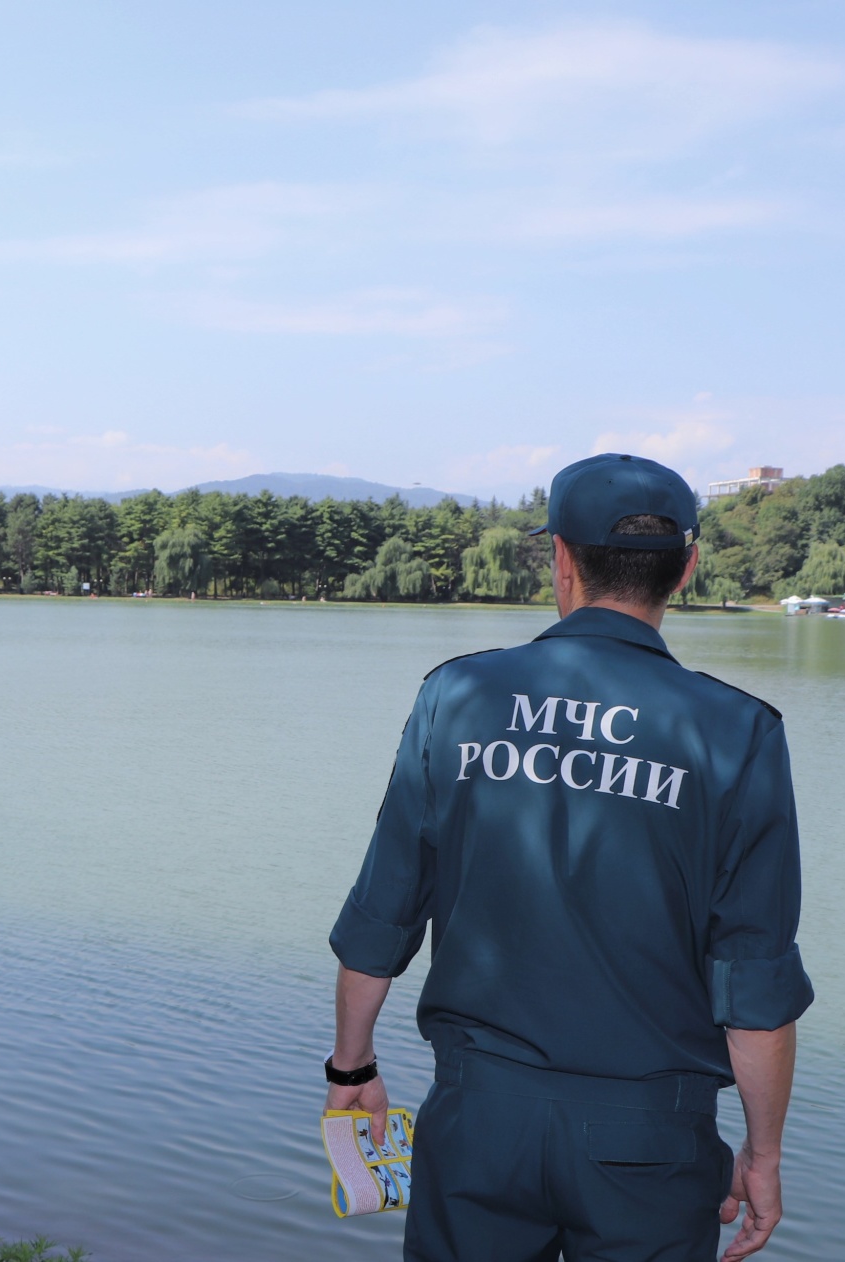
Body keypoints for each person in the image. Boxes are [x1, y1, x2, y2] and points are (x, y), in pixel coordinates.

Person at [324, 453, 813, 1262]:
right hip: (648, 1148)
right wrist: (763, 1156)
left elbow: (383, 912)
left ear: (560, 558)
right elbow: (755, 986)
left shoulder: (457, 696)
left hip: (480, 1126)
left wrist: (352, 1068)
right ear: (687, 568)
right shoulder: (737, 732)